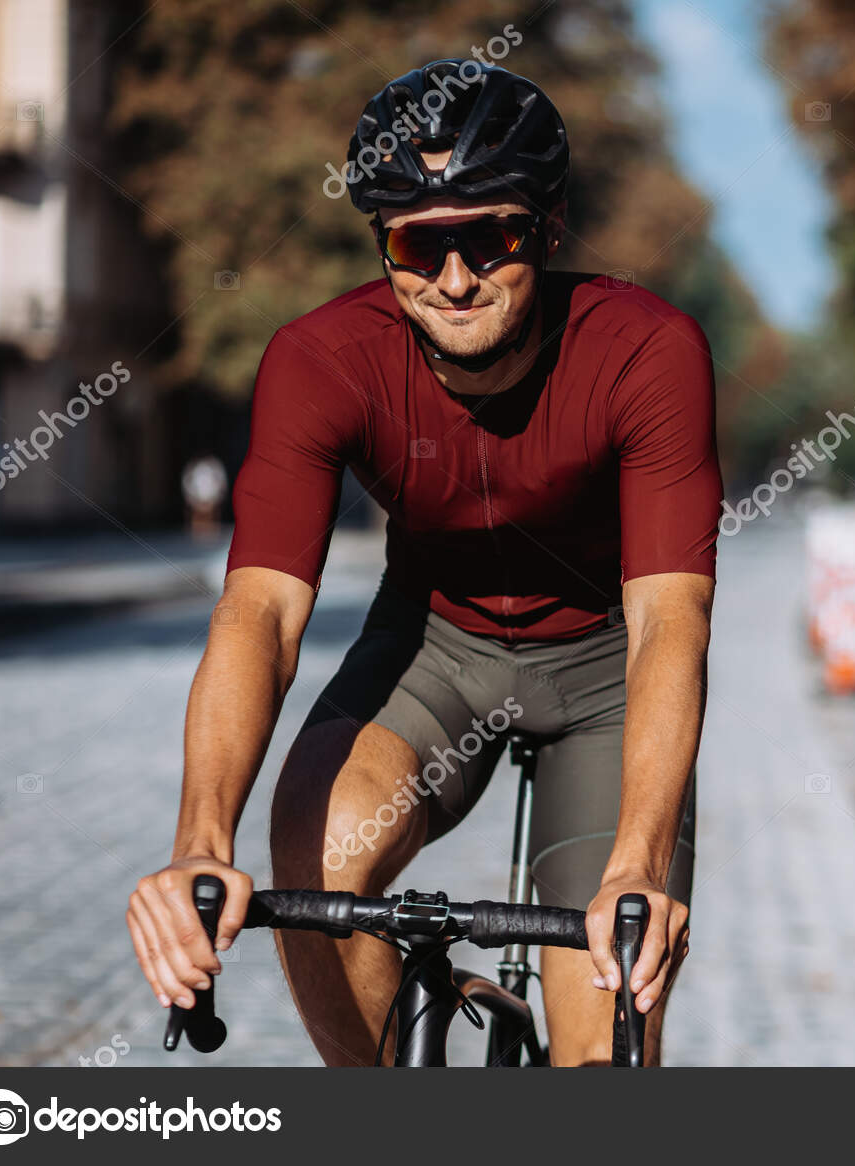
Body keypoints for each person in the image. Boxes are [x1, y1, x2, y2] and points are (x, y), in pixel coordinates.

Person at [126, 62, 719, 1066]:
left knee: (607, 1032)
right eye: (418, 243)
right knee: (315, 856)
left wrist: (640, 864)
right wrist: (199, 842)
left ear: (550, 226)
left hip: (605, 674)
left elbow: (670, 621)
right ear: (381, 247)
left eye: (492, 236)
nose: (454, 278)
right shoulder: (321, 361)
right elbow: (261, 613)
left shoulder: (647, 351)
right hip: (434, 650)